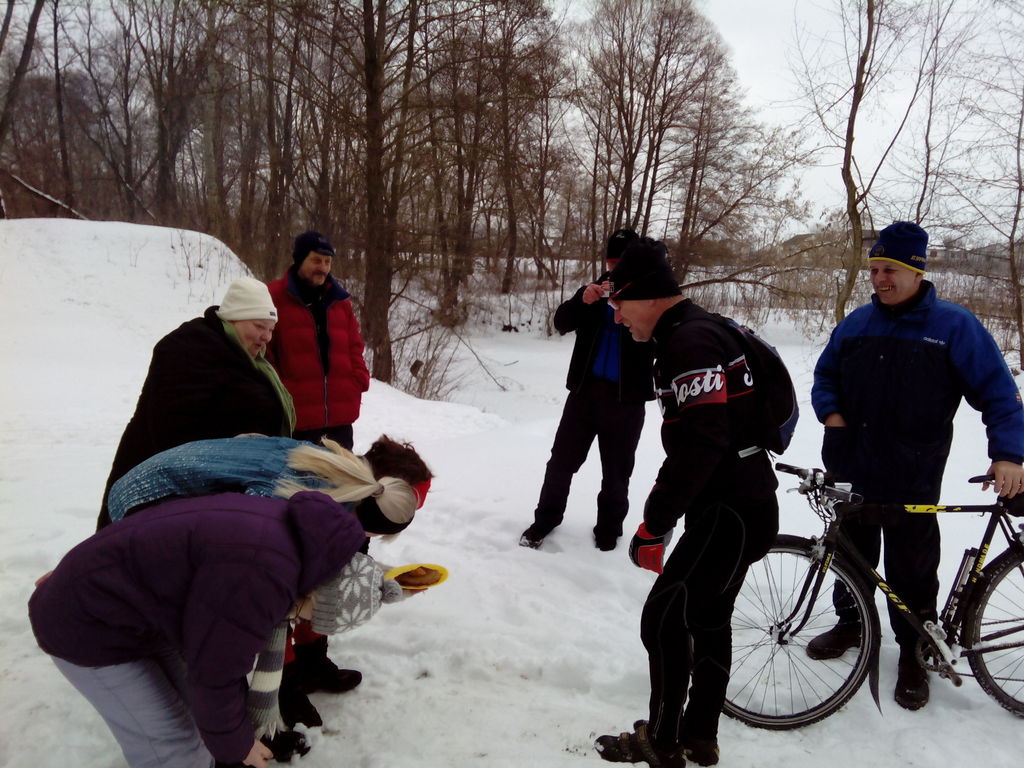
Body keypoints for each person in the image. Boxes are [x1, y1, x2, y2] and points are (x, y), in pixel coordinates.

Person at [808, 220, 1024, 710]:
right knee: (851, 553)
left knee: (912, 567)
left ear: (917, 271)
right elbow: (825, 376)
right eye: (874, 269)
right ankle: (852, 623)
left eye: (889, 270)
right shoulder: (857, 323)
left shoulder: (953, 327)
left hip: (914, 471)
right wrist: (833, 416)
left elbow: (999, 394)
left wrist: (1009, 454)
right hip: (851, 464)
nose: (879, 279)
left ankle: (913, 649)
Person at [29, 489, 405, 768]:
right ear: (319, 593)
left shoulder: (301, 535)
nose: (299, 621)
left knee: (201, 716)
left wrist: (234, 737)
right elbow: (215, 674)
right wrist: (238, 746)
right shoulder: (261, 577)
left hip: (135, 608)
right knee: (173, 744)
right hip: (86, 627)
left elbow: (218, 658)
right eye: (309, 616)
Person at [106, 434, 433, 742]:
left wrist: (386, 580)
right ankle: (234, 728)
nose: (365, 541)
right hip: (144, 501)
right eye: (373, 535)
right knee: (226, 620)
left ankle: (239, 711)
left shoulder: (342, 487)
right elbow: (257, 580)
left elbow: (326, 567)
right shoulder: (289, 500)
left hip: (170, 497)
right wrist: (268, 702)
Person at [593, 240, 779, 768]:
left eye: (620, 303)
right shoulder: (700, 329)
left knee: (663, 618)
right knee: (707, 617)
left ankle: (663, 741)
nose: (616, 316)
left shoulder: (690, 342)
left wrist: (655, 522)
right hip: (740, 501)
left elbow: (702, 442)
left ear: (649, 296)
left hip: (730, 507)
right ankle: (699, 737)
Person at [96, 276, 295, 530]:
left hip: (215, 490)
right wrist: (236, 447)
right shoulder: (189, 349)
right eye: (259, 326)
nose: (266, 336)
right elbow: (171, 431)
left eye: (271, 329)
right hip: (158, 489)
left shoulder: (252, 359)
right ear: (235, 318)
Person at [519, 229, 655, 551]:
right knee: (560, 464)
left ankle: (609, 532)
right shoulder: (594, 291)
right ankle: (545, 520)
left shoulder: (650, 299)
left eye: (621, 263)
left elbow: (665, 341)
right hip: (584, 395)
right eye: (611, 262)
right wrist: (582, 300)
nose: (615, 269)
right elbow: (561, 323)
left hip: (626, 402)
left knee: (617, 474)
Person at [267, 231, 370, 450]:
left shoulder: (340, 301)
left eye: (327, 262)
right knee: (297, 473)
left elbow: (354, 346)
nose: (322, 267)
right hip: (296, 419)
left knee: (341, 473)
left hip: (340, 419)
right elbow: (264, 351)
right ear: (299, 260)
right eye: (316, 260)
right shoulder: (273, 297)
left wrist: (358, 379)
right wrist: (281, 390)